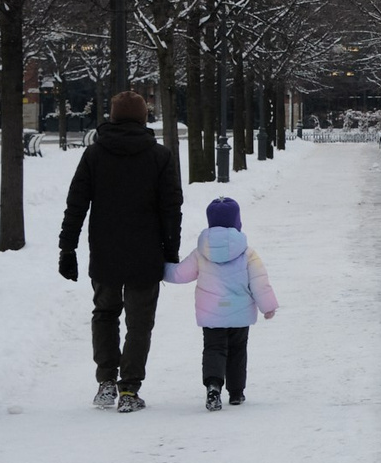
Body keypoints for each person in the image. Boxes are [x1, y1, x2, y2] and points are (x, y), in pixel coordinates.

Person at [58, 89, 183, 413]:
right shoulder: (160, 156)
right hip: (146, 253)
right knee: (140, 322)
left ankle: (106, 382)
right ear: (144, 118)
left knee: (104, 314)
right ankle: (129, 388)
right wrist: (171, 251)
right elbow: (171, 208)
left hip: (105, 251)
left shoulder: (94, 155)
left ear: (112, 118)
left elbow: (76, 205)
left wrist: (67, 249)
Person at [165, 197, 279, 410]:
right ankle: (236, 393)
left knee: (213, 348)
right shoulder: (247, 253)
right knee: (238, 350)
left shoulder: (201, 251)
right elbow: (259, 282)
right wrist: (268, 307)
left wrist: (158, 269)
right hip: (239, 314)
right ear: (237, 222)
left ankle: (213, 386)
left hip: (211, 314)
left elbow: (180, 274)